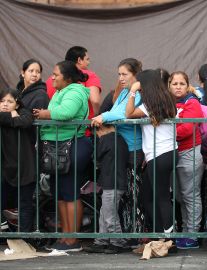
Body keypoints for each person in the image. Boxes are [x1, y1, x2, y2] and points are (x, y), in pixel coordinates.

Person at [84, 58, 143, 254]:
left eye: (124, 74)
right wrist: (107, 116)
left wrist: (103, 117)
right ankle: (108, 239)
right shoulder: (124, 92)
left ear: (135, 74)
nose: (121, 78)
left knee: (129, 198)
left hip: (132, 149)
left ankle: (129, 239)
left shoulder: (138, 93)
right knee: (115, 198)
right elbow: (116, 110)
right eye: (119, 74)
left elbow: (122, 114)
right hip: (120, 147)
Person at [33, 60, 93, 252]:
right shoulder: (61, 91)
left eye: (55, 75)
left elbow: (66, 112)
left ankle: (72, 240)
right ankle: (64, 236)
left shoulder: (75, 90)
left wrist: (45, 114)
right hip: (58, 148)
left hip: (72, 146)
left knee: (70, 192)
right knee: (59, 193)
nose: (51, 78)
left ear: (67, 78)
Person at [125, 69, 178, 239]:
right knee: (147, 195)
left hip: (160, 154)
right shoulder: (164, 100)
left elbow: (128, 113)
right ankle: (158, 235)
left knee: (161, 197)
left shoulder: (150, 104)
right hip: (164, 153)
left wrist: (132, 91)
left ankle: (169, 240)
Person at [169, 71, 204, 249]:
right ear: (169, 86)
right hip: (171, 152)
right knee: (180, 196)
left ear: (187, 85)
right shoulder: (167, 103)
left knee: (190, 195)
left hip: (189, 151)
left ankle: (192, 235)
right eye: (174, 83)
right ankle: (184, 231)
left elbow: (187, 129)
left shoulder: (193, 103)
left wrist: (166, 133)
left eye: (182, 83)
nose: (178, 87)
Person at [0, 88, 35, 233]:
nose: (5, 104)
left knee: (24, 204)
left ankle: (25, 238)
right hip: (4, 168)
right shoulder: (14, 114)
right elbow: (17, 121)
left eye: (10, 101)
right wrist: (12, 117)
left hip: (24, 167)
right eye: (2, 101)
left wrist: (15, 118)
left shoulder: (25, 112)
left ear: (18, 104)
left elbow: (25, 121)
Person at [46, 46, 102, 120]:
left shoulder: (50, 79)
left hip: (54, 127)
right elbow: (95, 101)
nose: (89, 62)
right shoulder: (89, 76)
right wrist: (97, 118)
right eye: (87, 59)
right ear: (79, 60)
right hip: (80, 128)